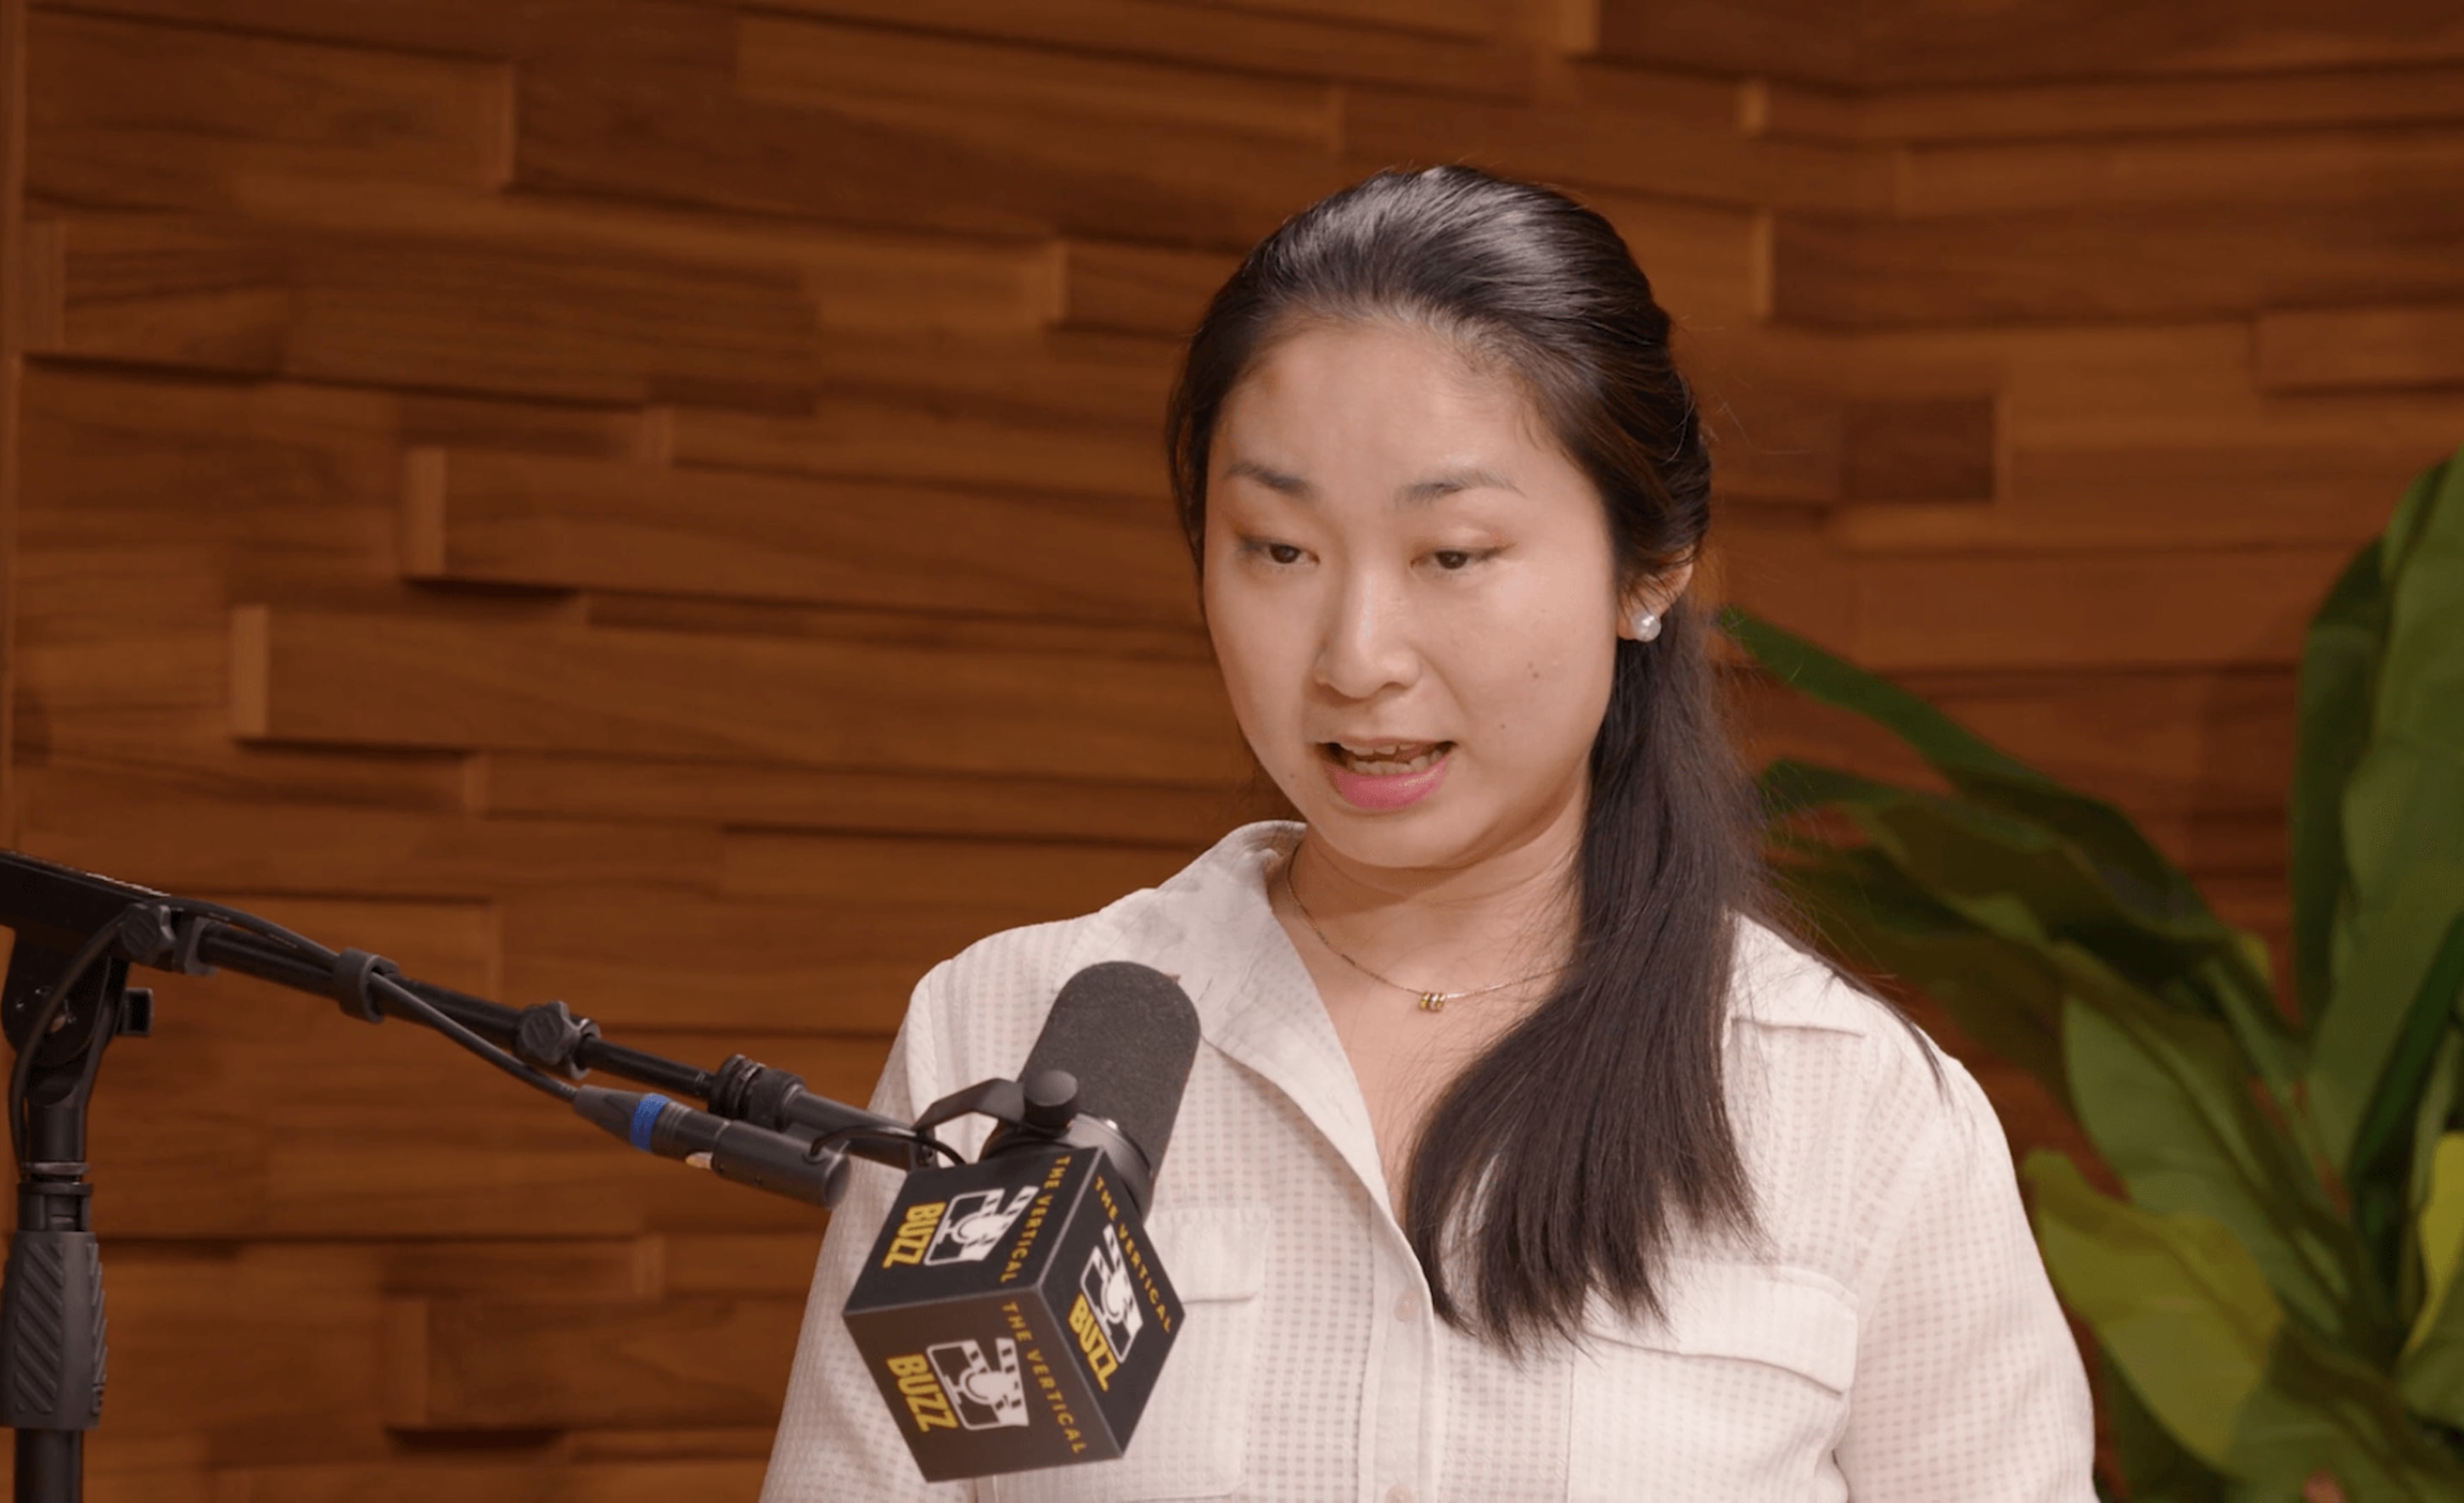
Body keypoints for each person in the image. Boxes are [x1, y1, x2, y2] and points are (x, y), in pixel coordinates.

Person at [761, 165, 2096, 1501]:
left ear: (1649, 571)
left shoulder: (1851, 1111)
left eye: (1452, 555)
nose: (1355, 657)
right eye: (1279, 550)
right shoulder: (1005, 1033)